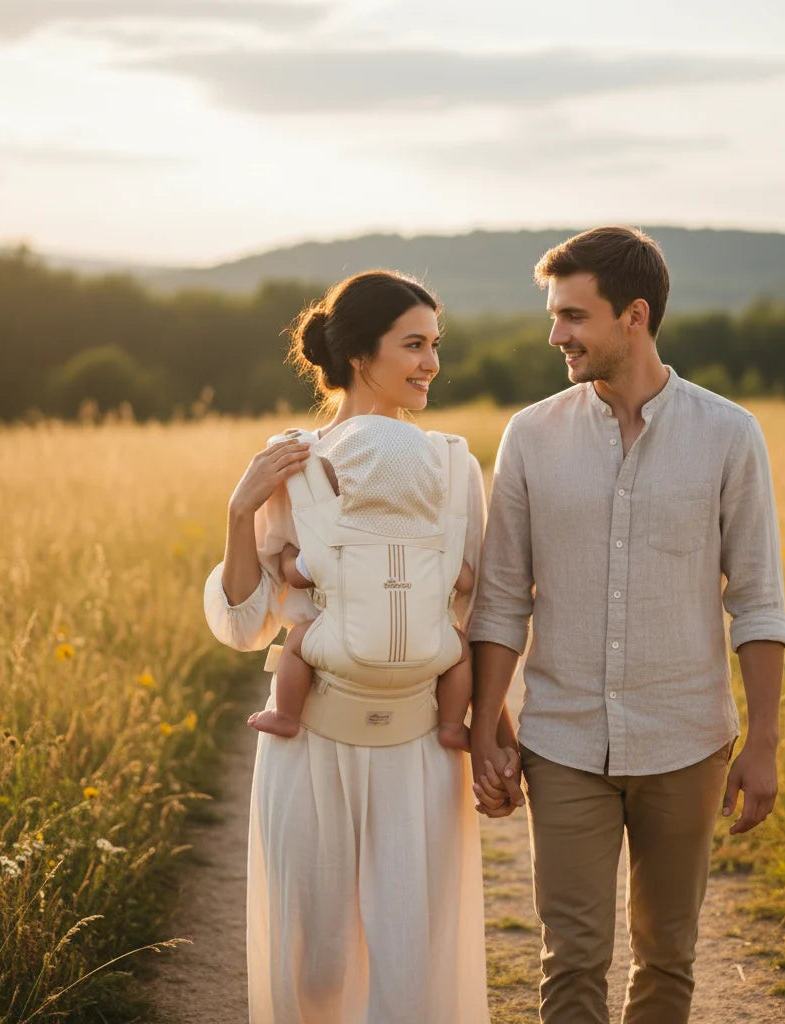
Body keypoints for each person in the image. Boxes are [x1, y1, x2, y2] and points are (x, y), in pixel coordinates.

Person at [468, 226, 785, 1023]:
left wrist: (764, 740)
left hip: (687, 741)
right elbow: (503, 596)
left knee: (668, 959)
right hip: (565, 740)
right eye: (555, 315)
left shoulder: (728, 434)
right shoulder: (530, 435)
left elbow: (756, 598)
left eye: (574, 317)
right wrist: (486, 723)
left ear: (634, 316)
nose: (556, 335)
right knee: (571, 960)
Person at [203, 270, 492, 1023]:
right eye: (414, 344)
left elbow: (475, 612)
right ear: (362, 354)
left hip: (420, 754)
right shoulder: (289, 462)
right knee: (315, 961)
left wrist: (490, 728)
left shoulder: (457, 468)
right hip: (310, 749)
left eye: (436, 345)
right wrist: (241, 512)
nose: (431, 362)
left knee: (409, 961)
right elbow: (243, 625)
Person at [246, 415, 476, 752]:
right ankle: (453, 727)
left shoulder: (334, 537)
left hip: (343, 653)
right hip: (428, 655)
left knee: (296, 642)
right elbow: (466, 582)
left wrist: (288, 554)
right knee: (461, 652)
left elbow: (294, 576)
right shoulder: (437, 540)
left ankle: (286, 716)